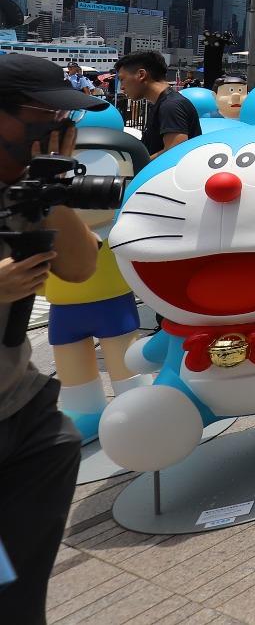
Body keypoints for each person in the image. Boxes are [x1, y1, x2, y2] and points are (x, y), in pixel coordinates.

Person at [0, 55, 104, 624]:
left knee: (19, 591)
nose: (59, 130)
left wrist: (52, 192)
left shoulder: (26, 187)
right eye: (45, 115)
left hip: (24, 414)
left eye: (66, 118)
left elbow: (80, 267)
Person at [115, 50, 200, 159]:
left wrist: (137, 164)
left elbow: (175, 151)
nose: (122, 87)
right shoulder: (166, 103)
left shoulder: (170, 106)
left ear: (141, 75)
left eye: (122, 79)